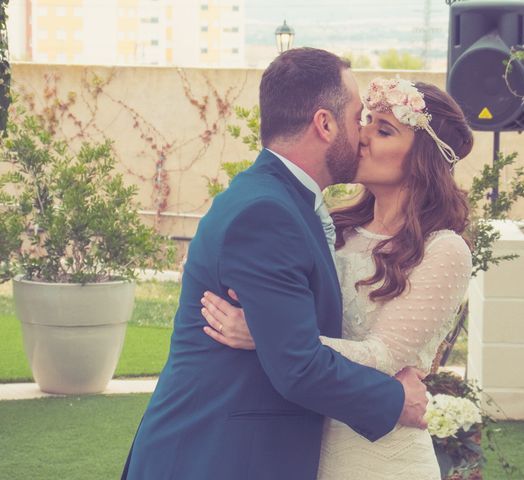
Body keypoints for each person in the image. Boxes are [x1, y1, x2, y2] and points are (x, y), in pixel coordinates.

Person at [121, 49, 430, 480]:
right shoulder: (266, 213)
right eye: (357, 117)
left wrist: (264, 334)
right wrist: (397, 400)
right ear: (324, 124)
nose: (362, 135)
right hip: (213, 458)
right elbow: (298, 367)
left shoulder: (285, 201)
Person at [200, 77, 474, 479]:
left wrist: (269, 336)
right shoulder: (334, 225)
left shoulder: (443, 250)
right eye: (366, 121)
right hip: (303, 446)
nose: (362, 137)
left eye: (384, 130)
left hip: (380, 456)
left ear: (423, 158)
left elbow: (382, 357)